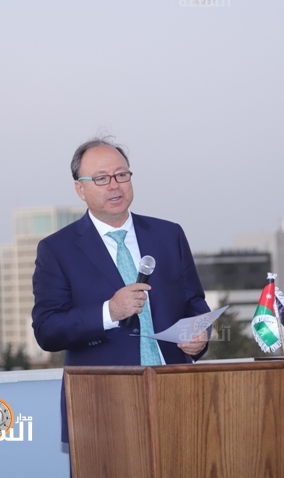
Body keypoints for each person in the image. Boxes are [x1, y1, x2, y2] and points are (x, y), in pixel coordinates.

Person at [31, 137, 211, 443]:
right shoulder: (57, 250)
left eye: (121, 175)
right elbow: (47, 330)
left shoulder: (169, 235)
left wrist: (200, 334)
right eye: (101, 178)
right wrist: (109, 312)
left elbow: (194, 302)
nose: (114, 185)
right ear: (80, 189)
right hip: (102, 405)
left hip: (178, 395)